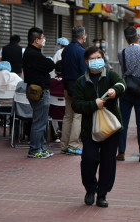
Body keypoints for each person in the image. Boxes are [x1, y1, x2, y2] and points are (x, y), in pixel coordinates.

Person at [72, 46, 126, 208]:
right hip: (89, 128)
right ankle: (90, 189)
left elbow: (122, 84)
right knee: (89, 159)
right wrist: (93, 104)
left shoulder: (110, 75)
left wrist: (115, 91)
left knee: (108, 162)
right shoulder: (81, 81)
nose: (96, 61)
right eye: (92, 59)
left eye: (98, 58)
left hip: (110, 127)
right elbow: (76, 105)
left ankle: (102, 194)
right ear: (87, 62)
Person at [116, 26, 140, 162]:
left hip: (126, 90)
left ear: (126, 39)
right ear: (138, 37)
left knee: (123, 123)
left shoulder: (121, 53)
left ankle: (121, 153)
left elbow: (123, 68)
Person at [23, 27, 55, 158]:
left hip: (39, 89)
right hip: (39, 91)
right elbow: (49, 65)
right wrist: (49, 61)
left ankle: (41, 147)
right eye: (42, 38)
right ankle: (35, 149)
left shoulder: (33, 52)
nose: (44, 40)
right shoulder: (33, 54)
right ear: (36, 40)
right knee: (39, 121)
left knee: (42, 120)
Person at [60, 26, 87, 155]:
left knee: (67, 116)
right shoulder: (81, 51)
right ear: (82, 36)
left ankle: (64, 145)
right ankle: (73, 145)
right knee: (78, 116)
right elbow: (84, 71)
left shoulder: (66, 50)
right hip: (78, 86)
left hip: (66, 86)